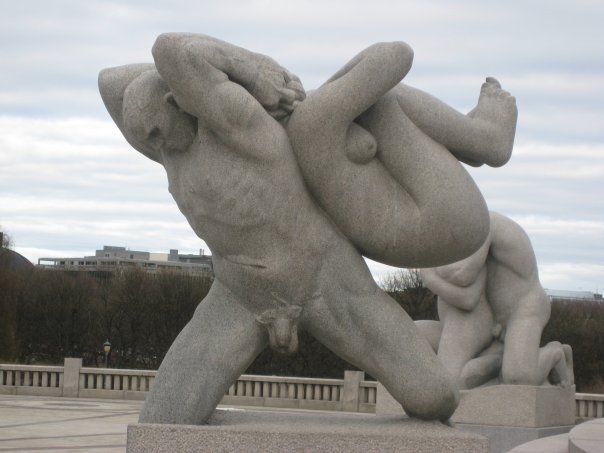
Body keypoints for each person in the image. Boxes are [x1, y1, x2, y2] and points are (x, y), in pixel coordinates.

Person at [99, 34, 459, 425]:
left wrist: (253, 71)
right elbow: (109, 81)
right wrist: (160, 95)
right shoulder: (168, 151)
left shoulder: (236, 121)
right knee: (164, 419)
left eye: (155, 132)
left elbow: (169, 49)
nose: (156, 146)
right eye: (146, 139)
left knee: (434, 397)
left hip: (324, 279)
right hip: (240, 294)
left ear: (177, 101)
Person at [287, 46, 518, 268]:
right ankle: (487, 138)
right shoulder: (310, 119)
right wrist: (325, 89)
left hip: (436, 225)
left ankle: (471, 142)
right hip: (441, 218)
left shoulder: (296, 143)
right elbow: (397, 54)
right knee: (381, 99)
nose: (295, 80)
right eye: (285, 78)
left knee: (368, 98)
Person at [421, 211, 573, 389]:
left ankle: (555, 352)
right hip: (491, 318)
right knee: (412, 338)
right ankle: (505, 357)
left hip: (524, 309)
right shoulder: (465, 235)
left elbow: (462, 275)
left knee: (518, 378)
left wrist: (428, 274)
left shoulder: (482, 225)